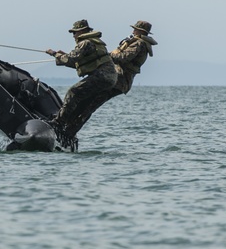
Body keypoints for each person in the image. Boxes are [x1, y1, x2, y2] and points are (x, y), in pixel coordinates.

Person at [45, 19, 117, 150]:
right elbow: (76, 63)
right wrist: (61, 56)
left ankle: (58, 123)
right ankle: (69, 131)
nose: (73, 36)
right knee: (85, 105)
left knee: (74, 92)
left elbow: (71, 58)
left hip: (102, 76)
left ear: (82, 31)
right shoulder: (91, 42)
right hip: (110, 79)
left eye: (75, 32)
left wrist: (55, 54)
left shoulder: (85, 42)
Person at [108, 20, 157, 97]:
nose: (133, 32)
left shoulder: (139, 43)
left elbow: (123, 58)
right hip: (121, 80)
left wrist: (107, 55)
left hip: (120, 79)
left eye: (135, 30)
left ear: (141, 31)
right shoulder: (141, 43)